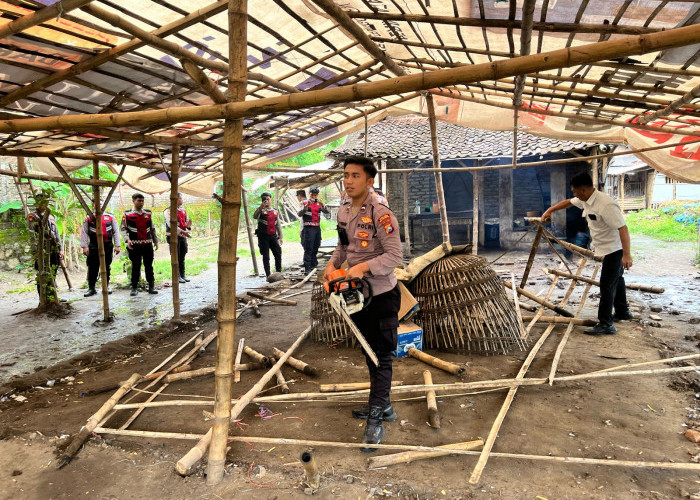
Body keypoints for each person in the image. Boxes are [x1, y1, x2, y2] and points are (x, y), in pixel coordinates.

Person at [323, 156, 403, 452]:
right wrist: (332, 265)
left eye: (355, 175)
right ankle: (383, 405)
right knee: (369, 353)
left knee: (381, 355)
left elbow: (395, 257)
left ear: (370, 181)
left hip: (381, 294)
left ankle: (375, 422)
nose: (348, 180)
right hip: (356, 296)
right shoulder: (344, 210)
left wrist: (362, 268)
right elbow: (343, 246)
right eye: (346, 175)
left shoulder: (382, 215)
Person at [542, 172, 634, 335]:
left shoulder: (606, 205)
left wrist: (626, 255)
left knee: (606, 285)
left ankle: (606, 323)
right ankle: (623, 311)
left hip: (615, 249)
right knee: (617, 279)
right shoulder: (586, 199)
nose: (575, 195)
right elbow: (568, 202)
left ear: (584, 190)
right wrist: (550, 210)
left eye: (576, 192)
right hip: (605, 247)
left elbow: (623, 228)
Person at [121, 193, 159, 296]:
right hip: (134, 245)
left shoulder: (148, 213)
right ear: (133, 201)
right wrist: (127, 240)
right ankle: (134, 287)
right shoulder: (127, 214)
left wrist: (156, 241)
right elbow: (123, 229)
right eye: (139, 201)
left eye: (142, 201)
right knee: (136, 266)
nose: (141, 203)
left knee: (149, 266)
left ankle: (151, 286)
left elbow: (152, 228)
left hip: (147, 244)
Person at [27, 192, 63, 299]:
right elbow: (32, 235)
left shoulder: (51, 215)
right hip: (42, 250)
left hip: (53, 249)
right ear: (37, 203)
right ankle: (43, 299)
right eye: (41, 202)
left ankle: (52, 297)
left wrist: (60, 248)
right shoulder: (33, 216)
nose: (44, 205)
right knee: (42, 275)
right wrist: (36, 251)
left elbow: (56, 233)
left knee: (53, 272)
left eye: (45, 202)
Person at [80, 211, 121, 297]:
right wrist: (84, 246)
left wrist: (117, 245)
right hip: (94, 245)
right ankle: (91, 288)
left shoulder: (110, 217)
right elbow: (84, 232)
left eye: (101, 203)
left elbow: (116, 231)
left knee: (106, 266)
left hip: (108, 245)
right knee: (92, 266)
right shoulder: (89, 217)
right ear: (93, 205)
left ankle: (105, 287)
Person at [298, 186, 329, 275]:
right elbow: (299, 214)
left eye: (316, 195)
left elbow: (327, 213)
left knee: (316, 246)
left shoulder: (319, 203)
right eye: (312, 194)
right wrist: (306, 206)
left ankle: (313, 266)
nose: (314, 196)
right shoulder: (303, 202)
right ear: (309, 194)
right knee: (308, 248)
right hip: (308, 228)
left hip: (317, 228)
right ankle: (307, 268)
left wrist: (323, 205)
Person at [253, 192, 283, 278]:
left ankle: (278, 272)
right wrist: (261, 207)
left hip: (273, 236)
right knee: (266, 256)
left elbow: (278, 225)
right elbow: (255, 216)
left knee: (278, 253)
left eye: (268, 199)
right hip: (263, 237)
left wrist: (280, 237)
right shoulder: (260, 211)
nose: (266, 201)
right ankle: (268, 275)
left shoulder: (275, 211)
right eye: (264, 199)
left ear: (271, 199)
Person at [164, 193, 192, 284]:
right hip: (173, 237)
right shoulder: (168, 211)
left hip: (182, 236)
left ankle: (182, 274)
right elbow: (171, 224)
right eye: (180, 198)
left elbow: (186, 221)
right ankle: (177, 276)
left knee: (182, 255)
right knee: (176, 256)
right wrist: (182, 231)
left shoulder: (183, 210)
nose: (182, 200)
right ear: (175, 199)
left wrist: (188, 226)